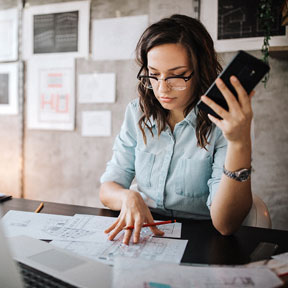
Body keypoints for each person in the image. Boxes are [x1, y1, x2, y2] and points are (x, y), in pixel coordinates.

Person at [100, 14, 254, 245]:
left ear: (200, 71)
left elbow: (226, 225)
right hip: (146, 236)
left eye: (177, 76)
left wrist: (239, 142)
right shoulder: (137, 113)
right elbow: (108, 187)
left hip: (202, 239)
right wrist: (128, 197)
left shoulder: (223, 123)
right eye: (154, 74)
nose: (162, 88)